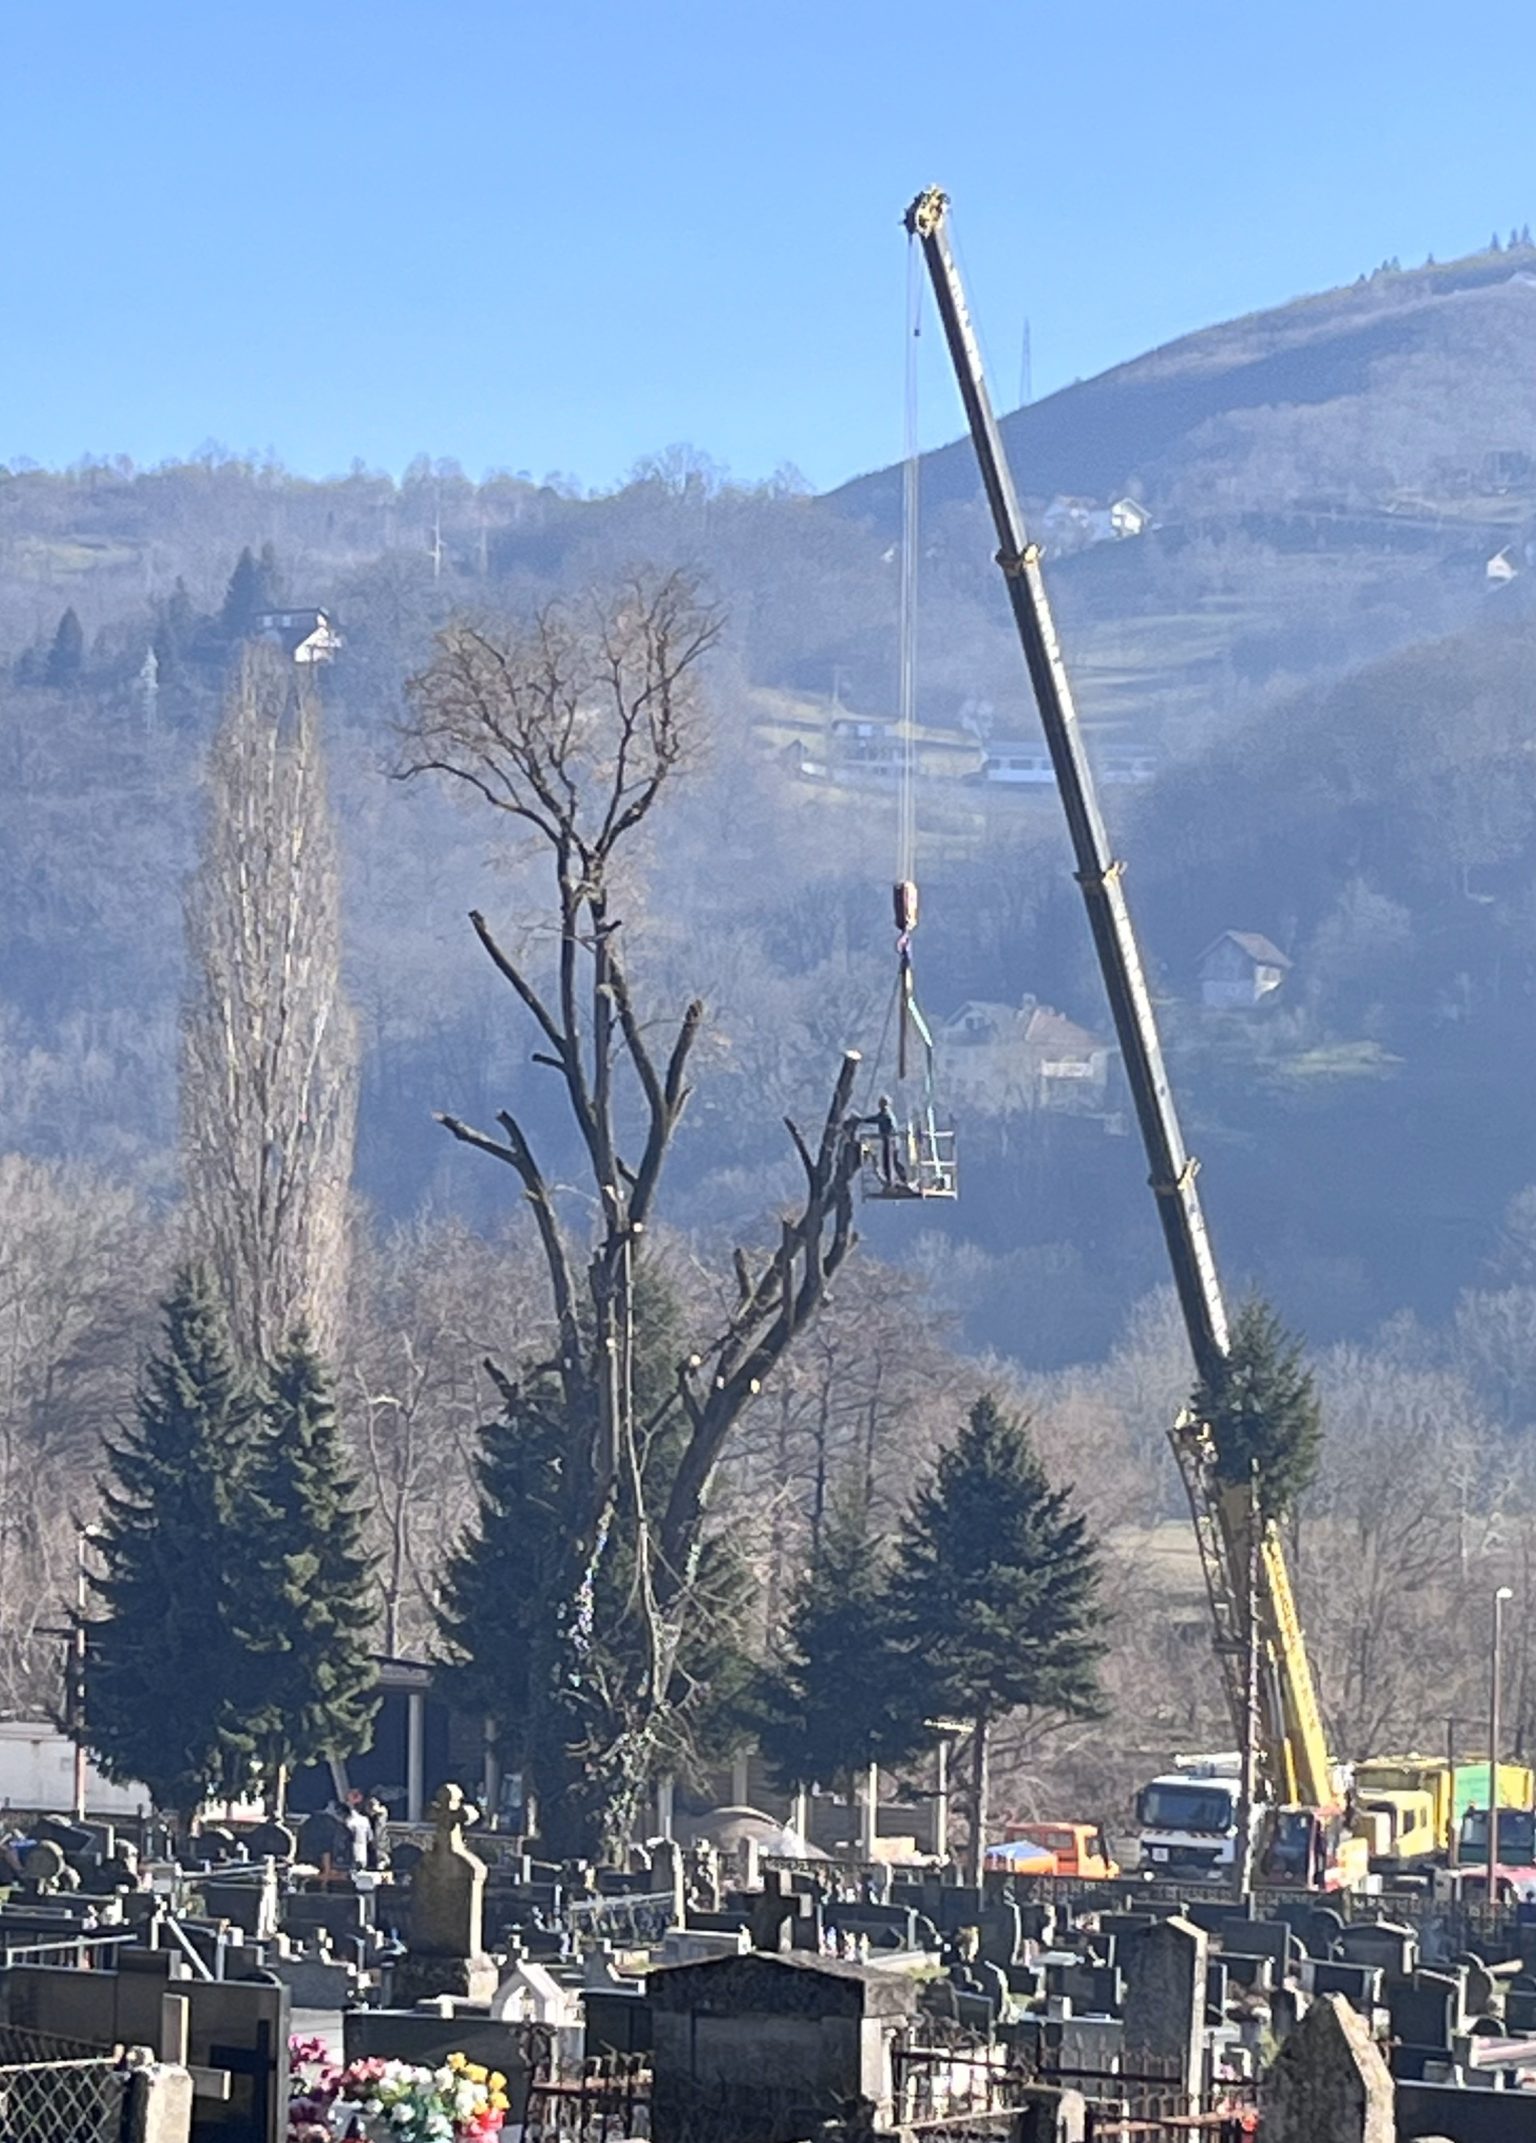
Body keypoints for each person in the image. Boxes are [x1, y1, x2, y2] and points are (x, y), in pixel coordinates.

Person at [860, 1095, 908, 1189]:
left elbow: (877, 1119)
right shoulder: (886, 1113)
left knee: (888, 1163)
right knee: (892, 1162)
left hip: (890, 1141)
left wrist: (861, 1120)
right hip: (891, 1141)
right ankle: (899, 1179)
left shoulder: (886, 1114)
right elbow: (875, 1119)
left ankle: (892, 1182)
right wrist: (862, 1120)